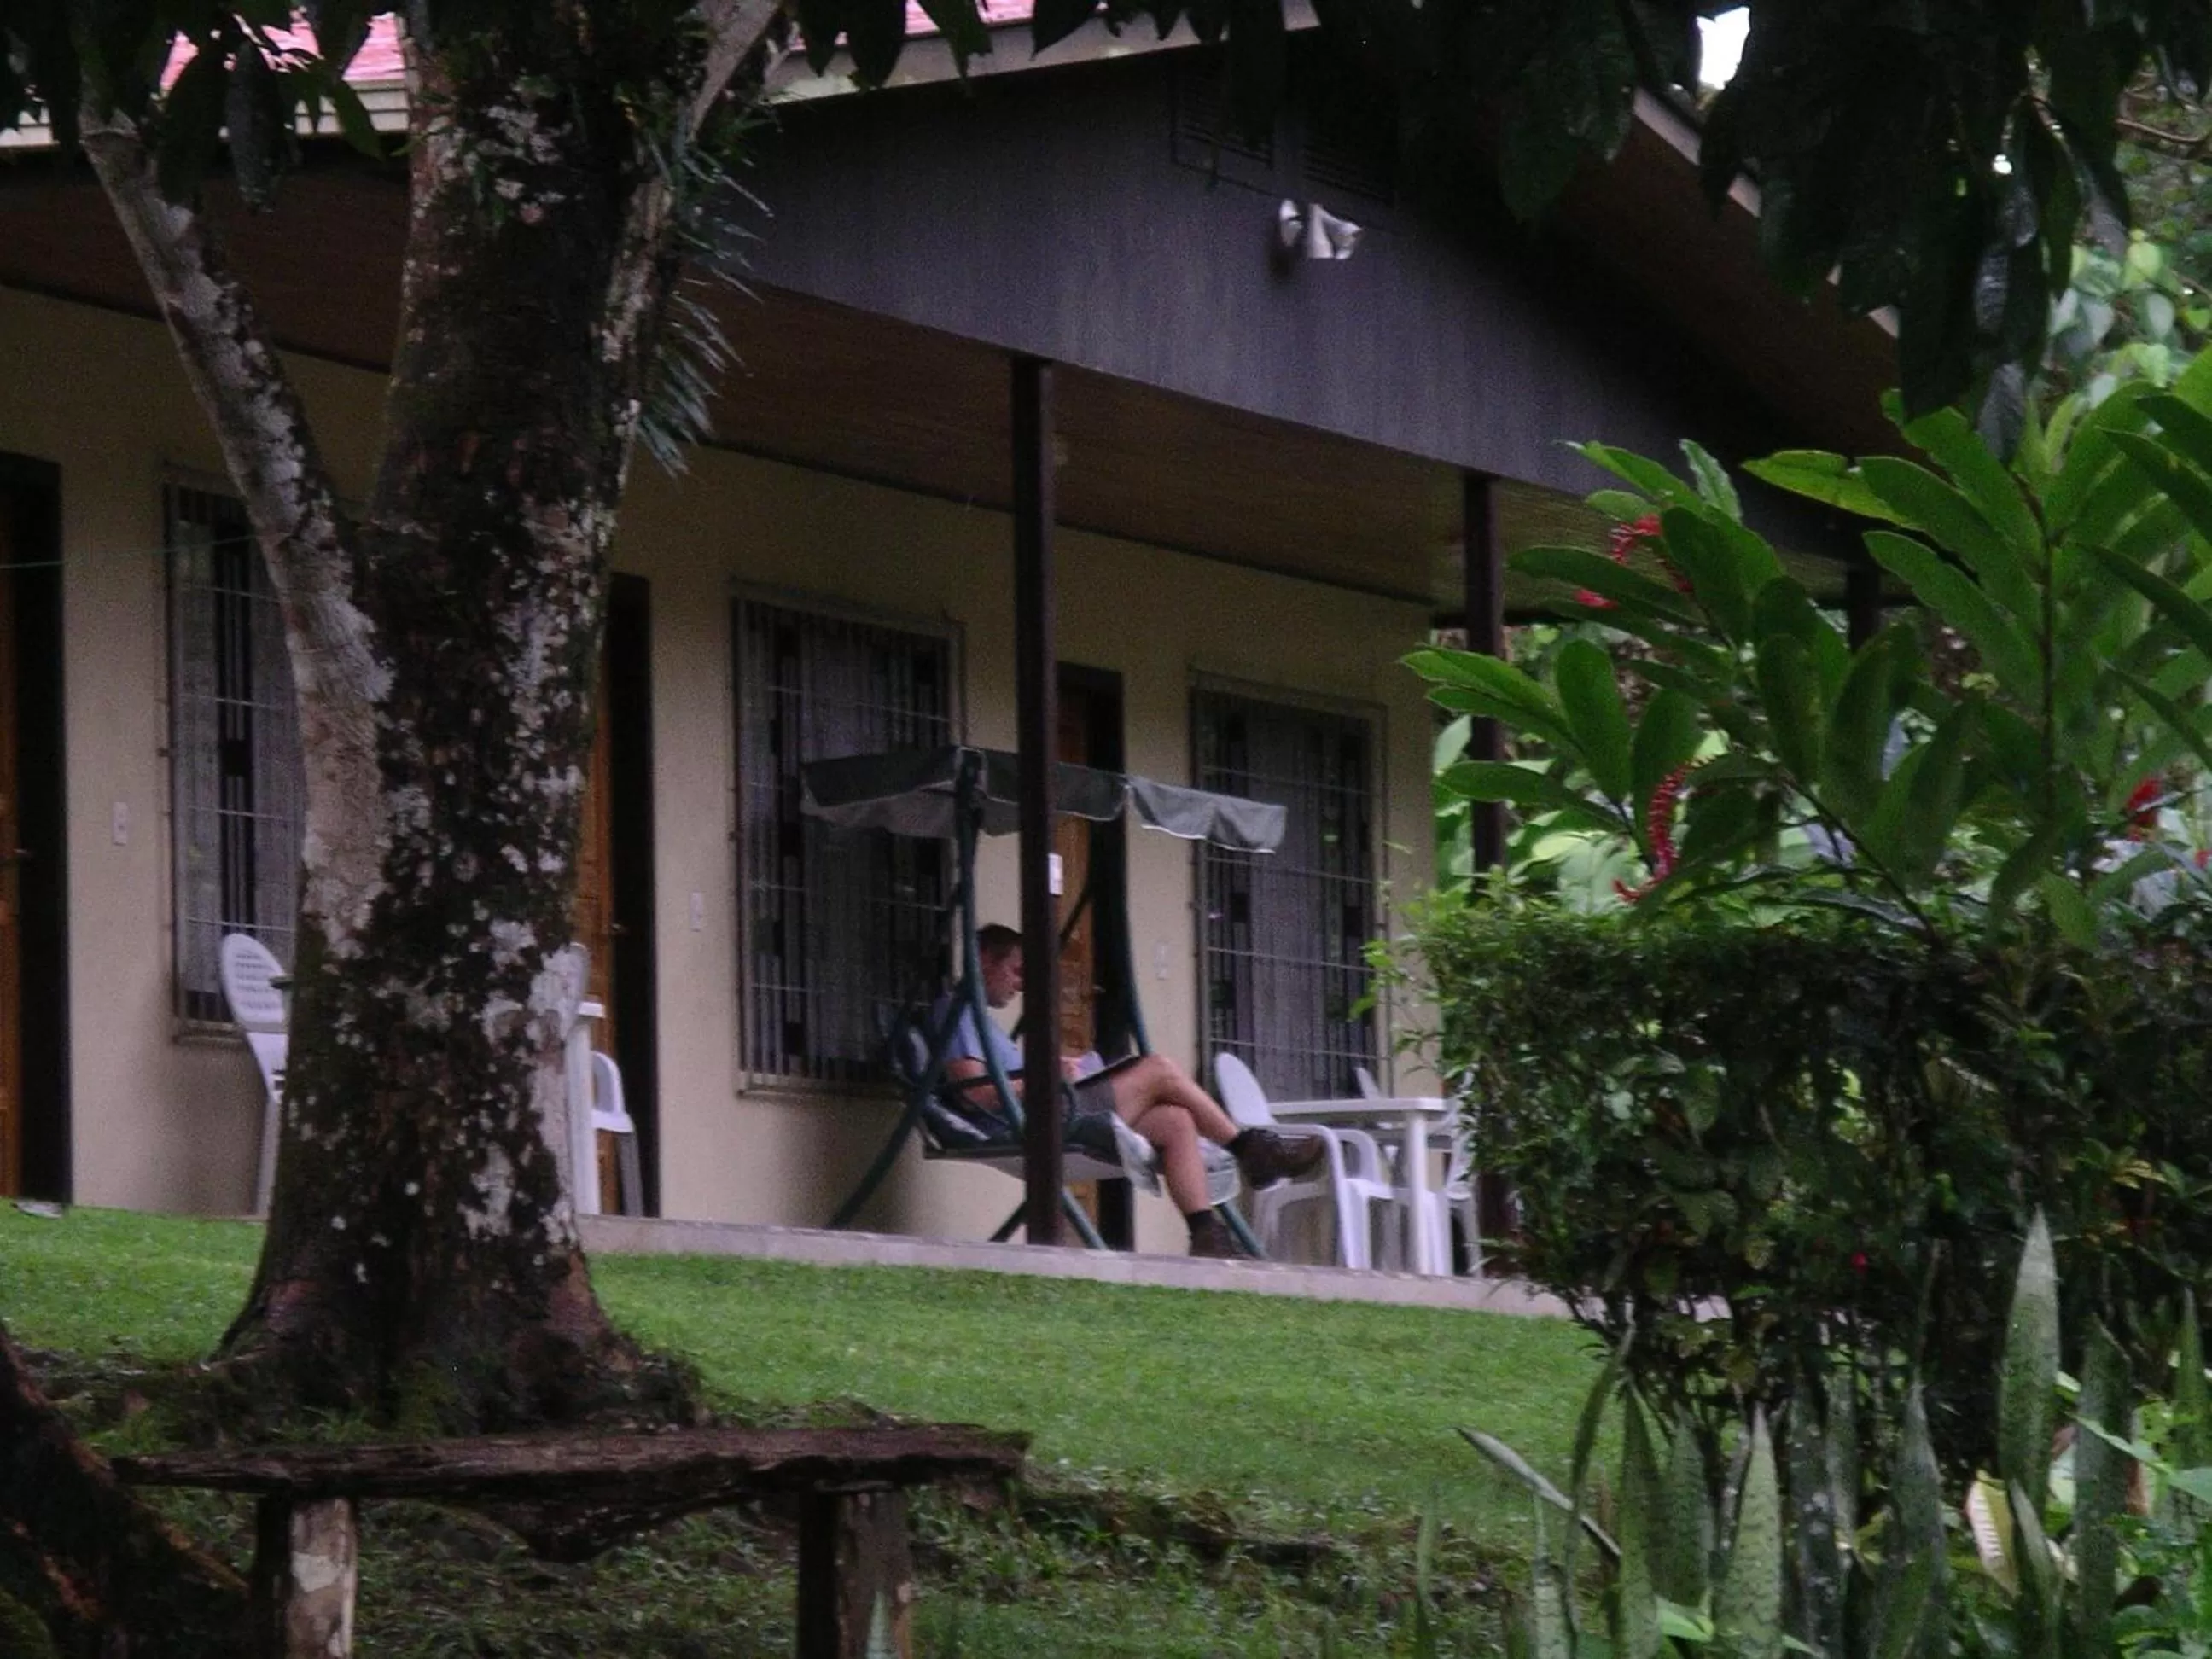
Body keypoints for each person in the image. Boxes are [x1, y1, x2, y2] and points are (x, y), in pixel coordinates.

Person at [940, 923, 1324, 1258]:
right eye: (1016, 970)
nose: (1021, 983)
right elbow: (973, 1095)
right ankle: (1252, 1150)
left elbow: (1005, 1079)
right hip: (1029, 1121)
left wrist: (1059, 1068)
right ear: (983, 959)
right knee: (1158, 1069)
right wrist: (1045, 1077)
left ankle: (1204, 1233)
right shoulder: (955, 1014)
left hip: (1042, 1109)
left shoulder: (979, 1020)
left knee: (1175, 1120)